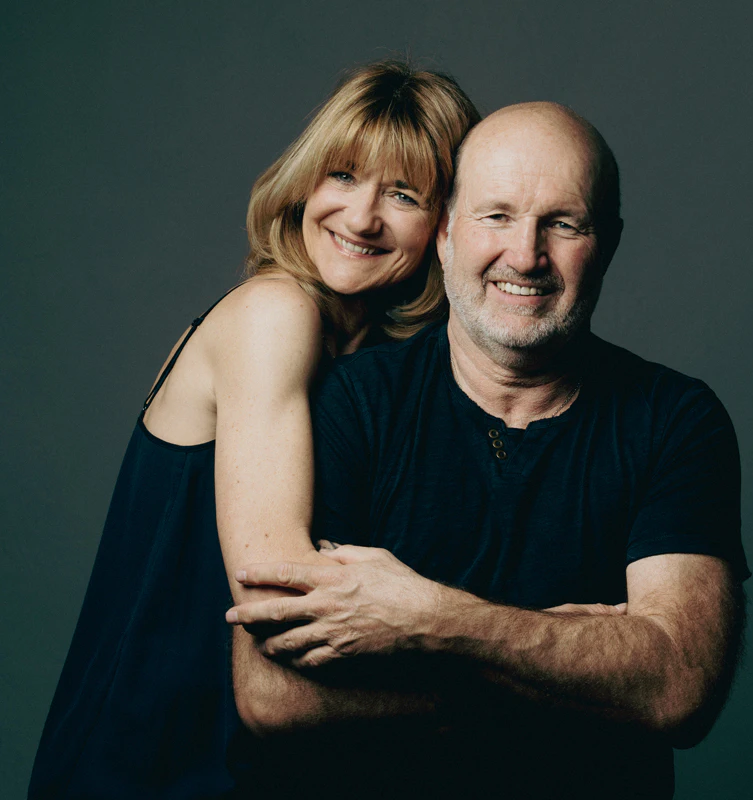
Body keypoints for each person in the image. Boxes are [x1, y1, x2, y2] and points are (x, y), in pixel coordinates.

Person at [226, 103, 749, 798]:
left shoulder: (676, 420)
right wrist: (562, 665)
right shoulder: (349, 402)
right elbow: (274, 692)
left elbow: (678, 685)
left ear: (609, 244)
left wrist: (431, 622)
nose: (526, 256)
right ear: (445, 233)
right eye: (496, 216)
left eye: (564, 224)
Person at [28, 61, 480, 799]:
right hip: (147, 767)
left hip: (255, 769)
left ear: (447, 224)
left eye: (403, 194)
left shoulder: (381, 367)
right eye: (342, 175)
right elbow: (283, 601)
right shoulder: (275, 313)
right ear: (305, 183)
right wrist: (509, 661)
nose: (361, 217)